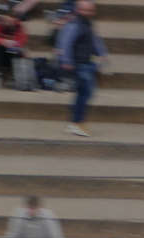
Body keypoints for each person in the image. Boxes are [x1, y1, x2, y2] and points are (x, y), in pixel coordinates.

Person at [58, 0, 106, 136]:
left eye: (90, 10)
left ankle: (74, 121)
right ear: (78, 10)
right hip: (79, 64)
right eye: (85, 10)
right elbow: (65, 43)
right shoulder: (74, 24)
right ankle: (77, 123)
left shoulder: (88, 24)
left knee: (84, 94)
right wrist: (66, 61)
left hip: (87, 63)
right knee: (85, 93)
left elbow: (95, 40)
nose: (87, 13)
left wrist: (101, 53)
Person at [0, 194, 72, 238]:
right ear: (25, 207)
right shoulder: (18, 216)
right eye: (30, 208)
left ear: (40, 207)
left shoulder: (48, 217)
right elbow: (11, 237)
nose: (32, 211)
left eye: (34, 208)